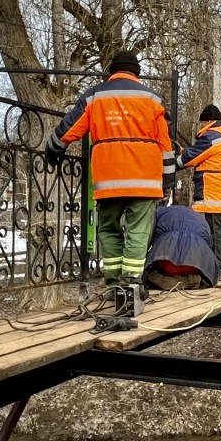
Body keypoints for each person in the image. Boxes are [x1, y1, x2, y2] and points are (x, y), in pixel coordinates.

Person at [44, 50, 174, 286]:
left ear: (111, 72)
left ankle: (113, 282)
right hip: (145, 180)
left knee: (109, 229)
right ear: (137, 73)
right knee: (138, 231)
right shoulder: (153, 100)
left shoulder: (95, 96)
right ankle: (131, 284)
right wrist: (167, 181)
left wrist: (53, 148)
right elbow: (166, 146)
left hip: (109, 179)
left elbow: (70, 127)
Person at [177, 105, 221, 280]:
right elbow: (207, 156)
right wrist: (184, 151)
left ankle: (218, 271)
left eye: (202, 122)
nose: (200, 126)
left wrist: (173, 161)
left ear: (209, 121)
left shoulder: (211, 136)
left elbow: (192, 158)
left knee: (215, 231)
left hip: (213, 190)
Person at [143, 205, 219, 290]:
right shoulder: (200, 218)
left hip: (169, 264)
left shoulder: (158, 213)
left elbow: (146, 241)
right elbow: (209, 245)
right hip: (196, 266)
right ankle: (190, 280)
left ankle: (167, 279)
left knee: (156, 262)